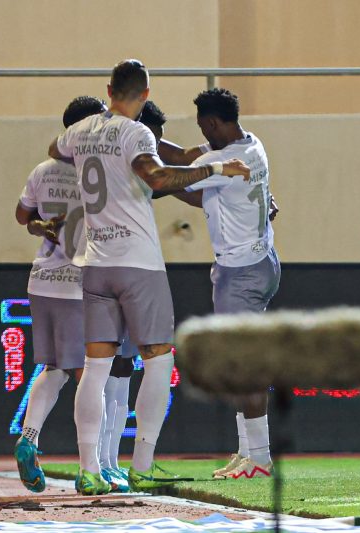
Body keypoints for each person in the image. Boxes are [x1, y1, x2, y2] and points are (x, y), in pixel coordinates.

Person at [49, 59, 251, 495]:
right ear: (144, 95)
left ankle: (89, 470)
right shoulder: (137, 132)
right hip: (138, 263)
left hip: (96, 263)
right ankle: (141, 465)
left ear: (108, 90)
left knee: (95, 369)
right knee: (159, 360)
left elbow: (55, 150)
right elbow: (157, 176)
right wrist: (217, 169)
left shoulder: (80, 131)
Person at [160, 88, 281, 479]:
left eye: (202, 127)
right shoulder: (252, 144)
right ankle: (248, 452)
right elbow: (186, 163)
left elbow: (166, 177)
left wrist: (142, 164)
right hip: (261, 262)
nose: (201, 135)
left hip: (240, 273)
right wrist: (147, 137)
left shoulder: (220, 161)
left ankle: (259, 457)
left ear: (212, 123)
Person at [13, 96, 108, 493]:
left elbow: (23, 215)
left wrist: (41, 225)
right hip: (77, 284)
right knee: (90, 375)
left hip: (41, 281)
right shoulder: (96, 171)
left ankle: (28, 438)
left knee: (54, 368)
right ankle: (92, 470)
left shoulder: (42, 170)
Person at [96, 100, 167, 487]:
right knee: (108, 369)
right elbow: (163, 181)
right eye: (153, 139)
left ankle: (104, 463)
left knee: (115, 368)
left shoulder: (99, 156)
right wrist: (217, 175)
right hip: (123, 268)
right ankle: (103, 462)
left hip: (101, 268)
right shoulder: (127, 160)